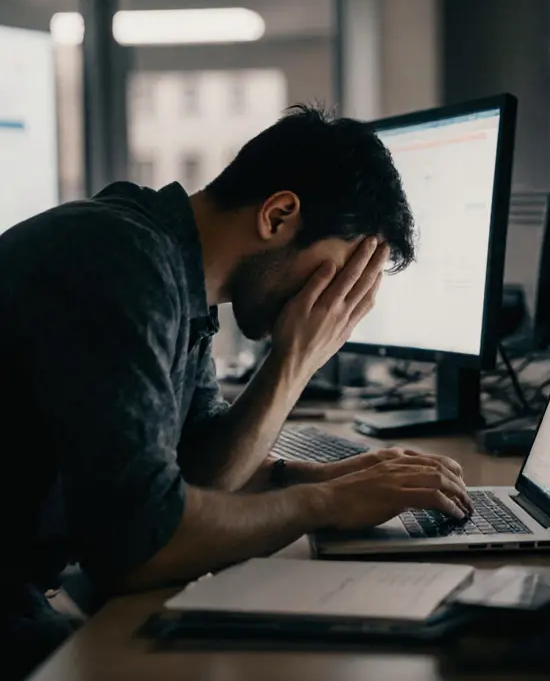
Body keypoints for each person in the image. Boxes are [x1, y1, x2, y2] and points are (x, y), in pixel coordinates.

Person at [0, 105, 475, 678]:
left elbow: (199, 474)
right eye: (337, 275)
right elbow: (137, 549)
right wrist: (324, 502)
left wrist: (330, 470)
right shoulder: (120, 259)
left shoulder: (172, 267)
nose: (337, 306)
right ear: (278, 215)